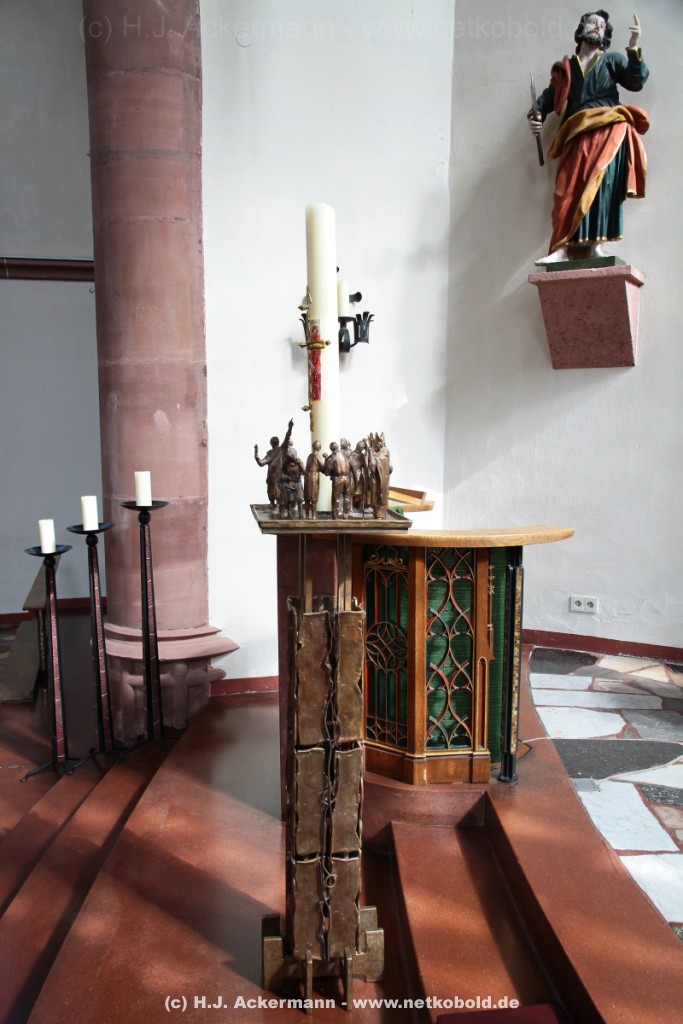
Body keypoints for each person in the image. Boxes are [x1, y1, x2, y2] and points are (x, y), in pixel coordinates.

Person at [528, 11, 649, 264]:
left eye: (602, 26)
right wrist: (536, 114)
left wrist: (633, 48)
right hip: (575, 133)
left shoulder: (611, 61)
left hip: (608, 130)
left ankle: (596, 246)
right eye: (593, 22)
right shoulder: (567, 68)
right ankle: (561, 249)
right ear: (582, 27)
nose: (597, 28)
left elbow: (635, 81)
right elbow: (549, 97)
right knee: (565, 190)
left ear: (605, 35)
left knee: (603, 188)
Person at [254, 418, 293, 507]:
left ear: (271, 443)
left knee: (275, 495)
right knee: (278, 496)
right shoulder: (282, 450)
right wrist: (290, 427)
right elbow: (287, 437)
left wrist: (256, 453)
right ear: (278, 443)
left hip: (273, 478)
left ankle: (274, 505)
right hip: (277, 477)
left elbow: (260, 463)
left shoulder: (271, 453)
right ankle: (277, 506)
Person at [323, 441, 351, 520]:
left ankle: (335, 516)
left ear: (331, 449)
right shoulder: (346, 456)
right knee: (347, 498)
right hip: (347, 478)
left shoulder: (334, 457)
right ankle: (346, 515)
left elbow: (326, 472)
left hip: (338, 479)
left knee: (336, 498)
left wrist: (326, 460)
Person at [303, 440, 325, 519]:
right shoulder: (316, 456)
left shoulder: (309, 456)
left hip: (307, 477)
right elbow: (323, 468)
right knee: (313, 498)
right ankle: (313, 516)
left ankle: (307, 516)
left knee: (307, 498)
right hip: (313, 478)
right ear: (319, 448)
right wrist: (326, 458)